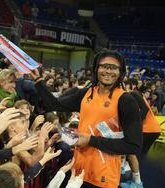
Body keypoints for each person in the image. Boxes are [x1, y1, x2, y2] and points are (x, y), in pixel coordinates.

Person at [30, 49, 142, 188]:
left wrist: (90, 140)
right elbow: (55, 104)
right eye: (103, 66)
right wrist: (38, 81)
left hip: (103, 176)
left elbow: (134, 146)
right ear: (96, 69)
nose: (108, 71)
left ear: (121, 72)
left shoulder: (126, 100)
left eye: (113, 67)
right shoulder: (87, 93)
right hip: (78, 170)